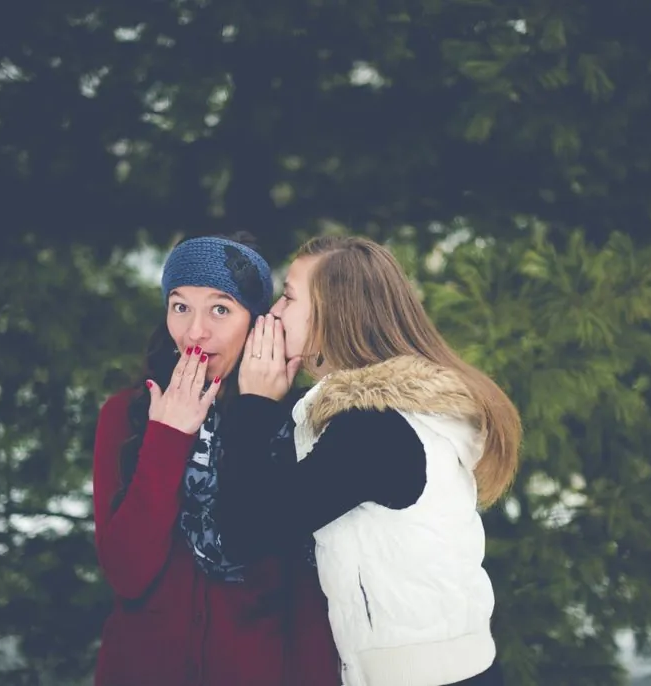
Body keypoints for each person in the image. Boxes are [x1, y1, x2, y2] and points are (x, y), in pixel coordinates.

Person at [217, 235, 522, 686]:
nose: (275, 312)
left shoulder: (373, 430)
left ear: (333, 314)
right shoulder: (400, 416)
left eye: (289, 296)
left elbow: (245, 532)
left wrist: (255, 406)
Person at [91, 233, 339, 686]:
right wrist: (166, 438)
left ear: (257, 323)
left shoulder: (299, 420)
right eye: (180, 306)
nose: (194, 332)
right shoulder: (126, 415)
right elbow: (126, 574)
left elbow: (306, 593)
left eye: (220, 309)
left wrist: (257, 412)